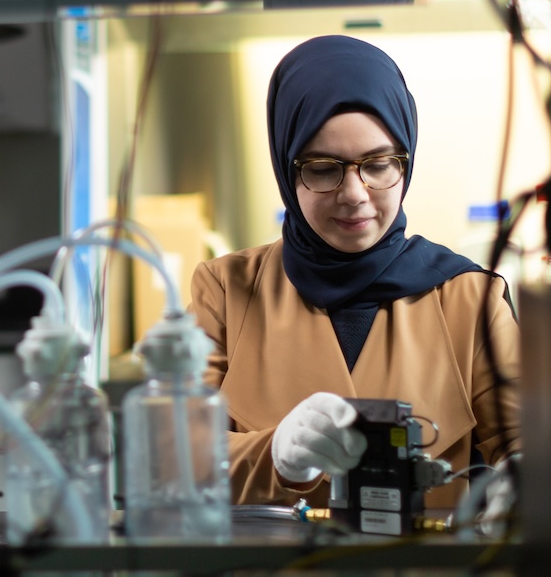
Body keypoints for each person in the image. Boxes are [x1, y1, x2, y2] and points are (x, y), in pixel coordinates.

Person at [188, 35, 520, 510]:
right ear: (287, 168)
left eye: (379, 164)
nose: (355, 194)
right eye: (323, 169)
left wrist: (525, 483)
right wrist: (275, 455)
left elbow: (529, 444)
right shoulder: (225, 290)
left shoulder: (470, 298)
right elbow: (173, 460)